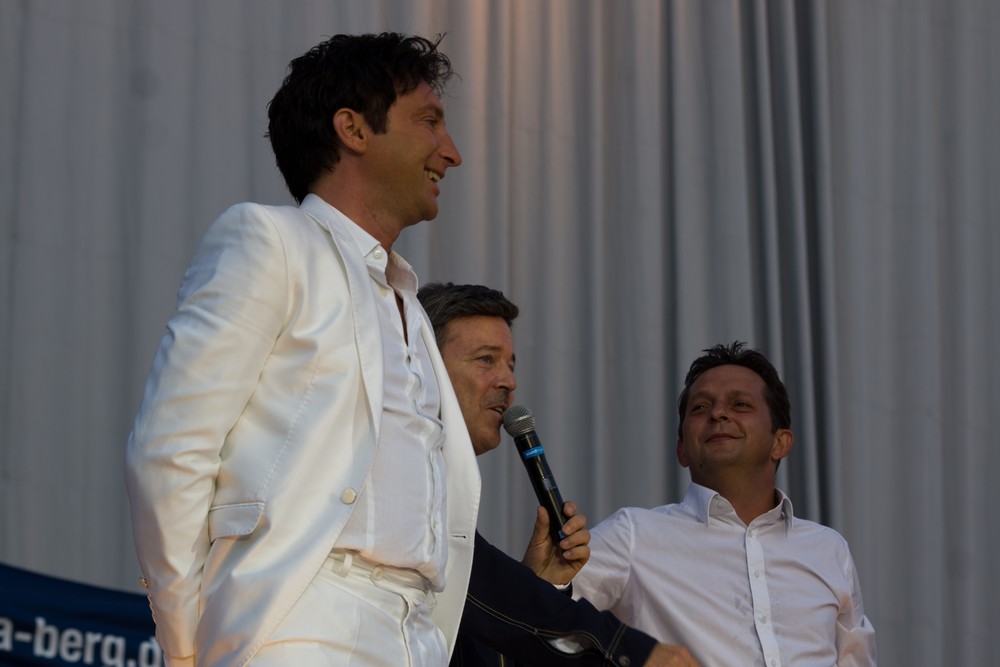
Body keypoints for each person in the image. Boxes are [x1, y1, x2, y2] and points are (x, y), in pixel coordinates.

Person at [125, 33, 479, 666]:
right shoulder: (270, 240)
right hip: (303, 624)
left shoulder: (412, 308)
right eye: (429, 121)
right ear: (353, 128)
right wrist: (186, 646)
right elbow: (171, 451)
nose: (450, 152)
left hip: (419, 637)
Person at [418, 282, 698, 667]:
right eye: (486, 359)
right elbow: (471, 578)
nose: (508, 382)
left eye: (511, 365)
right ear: (424, 364)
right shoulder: (401, 467)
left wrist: (539, 584)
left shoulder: (447, 484)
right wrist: (625, 649)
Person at [571, 341, 877, 666]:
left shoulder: (830, 550)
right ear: (682, 450)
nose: (717, 413)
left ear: (780, 442)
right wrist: (634, 652)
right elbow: (547, 616)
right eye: (700, 408)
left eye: (740, 404)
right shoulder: (633, 534)